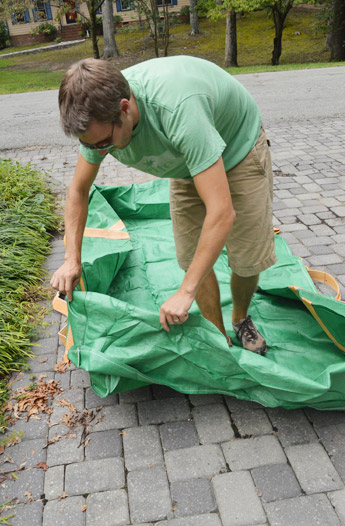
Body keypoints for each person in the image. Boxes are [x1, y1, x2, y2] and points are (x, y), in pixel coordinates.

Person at [51, 56, 276, 355]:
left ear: (125, 108)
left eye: (103, 143)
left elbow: (222, 213)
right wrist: (71, 259)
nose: (98, 152)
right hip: (184, 161)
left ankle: (239, 318)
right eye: (90, 145)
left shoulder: (178, 109)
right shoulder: (97, 122)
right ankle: (217, 334)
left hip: (238, 149)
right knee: (192, 256)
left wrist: (185, 292)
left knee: (247, 259)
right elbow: (79, 190)